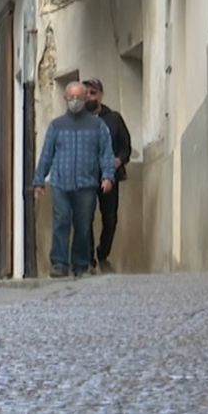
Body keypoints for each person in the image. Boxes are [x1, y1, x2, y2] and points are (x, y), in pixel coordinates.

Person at [33, 82, 117, 279]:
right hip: (60, 183)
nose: (75, 101)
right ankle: (59, 264)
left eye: (79, 97)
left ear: (85, 98)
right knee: (61, 221)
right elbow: (46, 154)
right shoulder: (56, 126)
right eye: (71, 97)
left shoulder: (98, 125)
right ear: (65, 99)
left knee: (83, 224)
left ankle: (80, 264)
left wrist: (107, 177)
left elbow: (106, 153)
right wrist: (39, 181)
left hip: (87, 184)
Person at [84, 79, 132, 273]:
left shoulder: (114, 119)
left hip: (110, 175)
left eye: (93, 93)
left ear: (101, 95)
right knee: (84, 218)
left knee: (110, 218)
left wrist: (117, 161)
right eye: (86, 93)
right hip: (86, 177)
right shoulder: (78, 120)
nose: (89, 97)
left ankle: (103, 253)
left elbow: (126, 146)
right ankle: (88, 259)